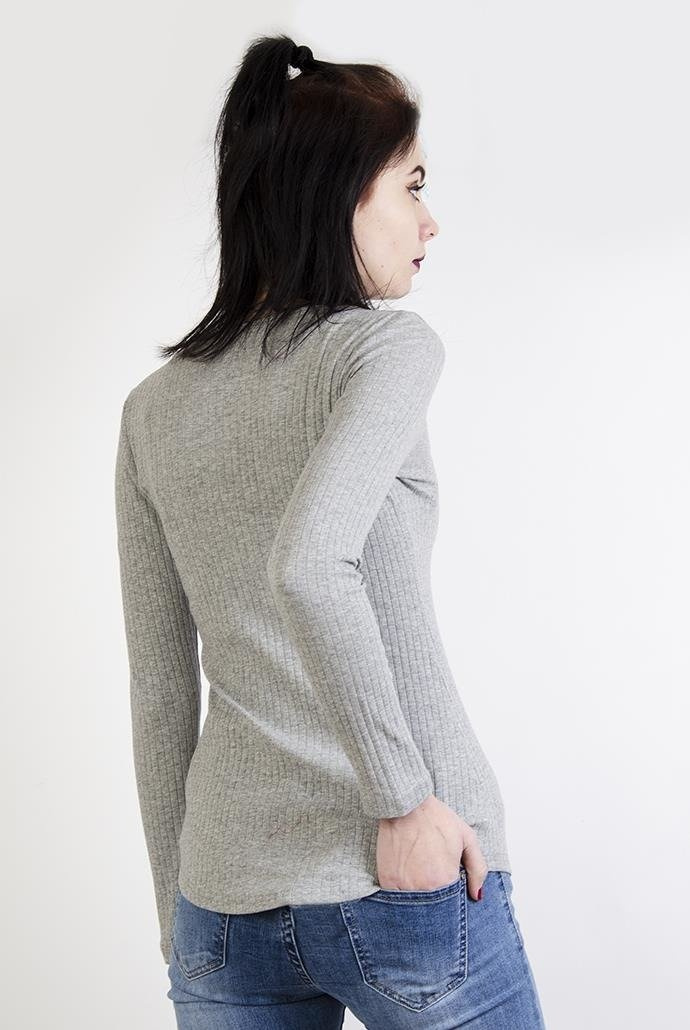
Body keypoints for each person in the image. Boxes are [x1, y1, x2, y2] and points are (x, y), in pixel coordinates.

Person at [114, 32, 547, 1029]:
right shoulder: (380, 350)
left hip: (221, 900)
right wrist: (401, 799)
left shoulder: (153, 409)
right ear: (340, 192)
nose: (430, 221)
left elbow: (158, 686)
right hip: (402, 874)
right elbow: (310, 565)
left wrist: (178, 911)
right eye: (411, 186)